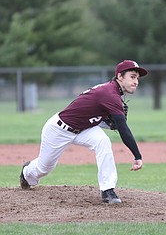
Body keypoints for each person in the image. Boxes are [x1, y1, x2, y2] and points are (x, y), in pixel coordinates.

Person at [20, 60, 148, 204]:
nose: (136, 81)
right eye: (132, 76)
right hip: (59, 129)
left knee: (103, 141)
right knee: (44, 168)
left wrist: (108, 123)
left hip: (83, 129)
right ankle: (27, 172)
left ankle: (108, 190)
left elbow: (93, 116)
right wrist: (137, 156)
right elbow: (124, 130)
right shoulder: (110, 94)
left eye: (137, 78)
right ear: (120, 76)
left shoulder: (111, 91)